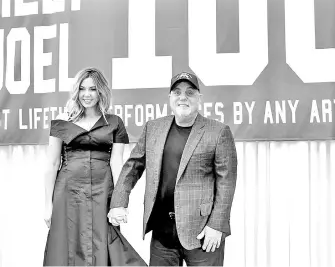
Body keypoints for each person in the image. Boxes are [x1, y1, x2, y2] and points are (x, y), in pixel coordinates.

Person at [108, 72, 237, 266]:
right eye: (177, 92)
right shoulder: (153, 128)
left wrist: (217, 225)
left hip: (202, 233)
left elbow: (226, 182)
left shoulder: (218, 132)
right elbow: (132, 167)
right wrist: (118, 202)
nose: (183, 97)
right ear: (170, 97)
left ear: (199, 98)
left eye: (189, 92)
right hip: (162, 234)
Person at [43, 67, 146, 266]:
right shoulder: (61, 122)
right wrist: (47, 205)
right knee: (67, 245)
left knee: (105, 243)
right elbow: (52, 163)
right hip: (68, 193)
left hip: (102, 191)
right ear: (76, 91)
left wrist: (119, 201)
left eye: (92, 89)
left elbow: (117, 162)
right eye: (82, 89)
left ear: (101, 91)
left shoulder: (115, 122)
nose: (87, 94)